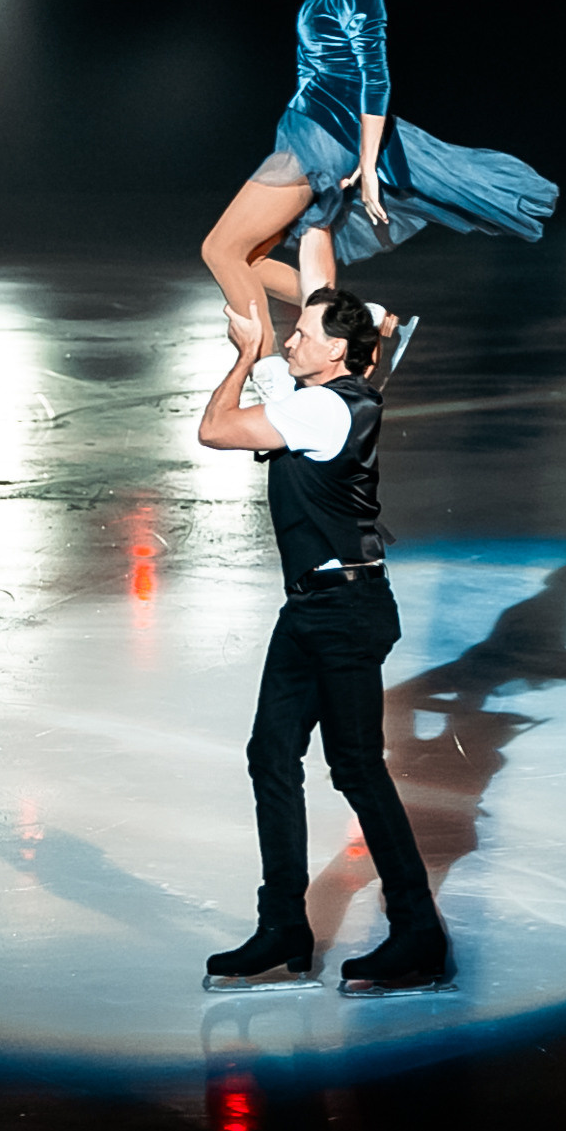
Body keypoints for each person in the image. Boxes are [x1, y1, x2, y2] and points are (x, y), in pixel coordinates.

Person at [197, 0, 558, 381]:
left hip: (325, 136)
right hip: (310, 126)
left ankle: (267, 375)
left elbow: (377, 72)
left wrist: (366, 164)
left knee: (221, 249)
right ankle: (372, 324)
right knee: (263, 260)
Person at [194, 287, 454, 997]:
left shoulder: (321, 408)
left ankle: (418, 934)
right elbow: (294, 375)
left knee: (357, 767)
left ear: (337, 349)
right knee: (270, 754)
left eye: (303, 332)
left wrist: (245, 353)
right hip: (315, 606)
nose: (290, 341)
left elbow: (216, 429)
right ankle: (283, 925)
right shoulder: (339, 394)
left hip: (344, 611)